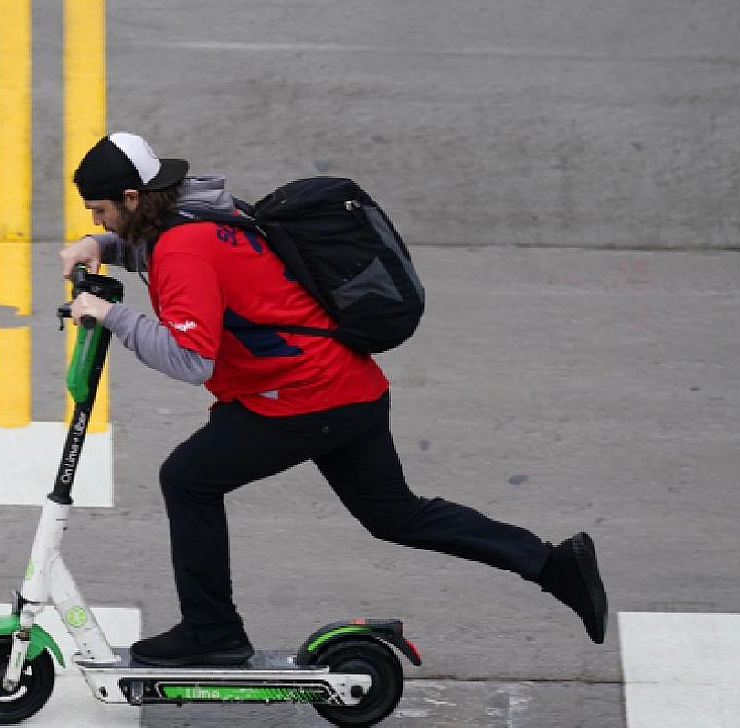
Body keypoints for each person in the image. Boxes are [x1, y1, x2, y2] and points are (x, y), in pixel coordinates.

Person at [61, 132, 608, 667]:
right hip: (349, 387)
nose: (98, 221)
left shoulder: (181, 249)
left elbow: (190, 359)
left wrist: (111, 314)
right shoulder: (200, 215)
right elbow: (170, 254)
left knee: (187, 479)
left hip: (303, 399)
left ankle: (211, 632)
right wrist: (102, 247)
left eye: (101, 212)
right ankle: (553, 566)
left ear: (132, 198)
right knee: (396, 516)